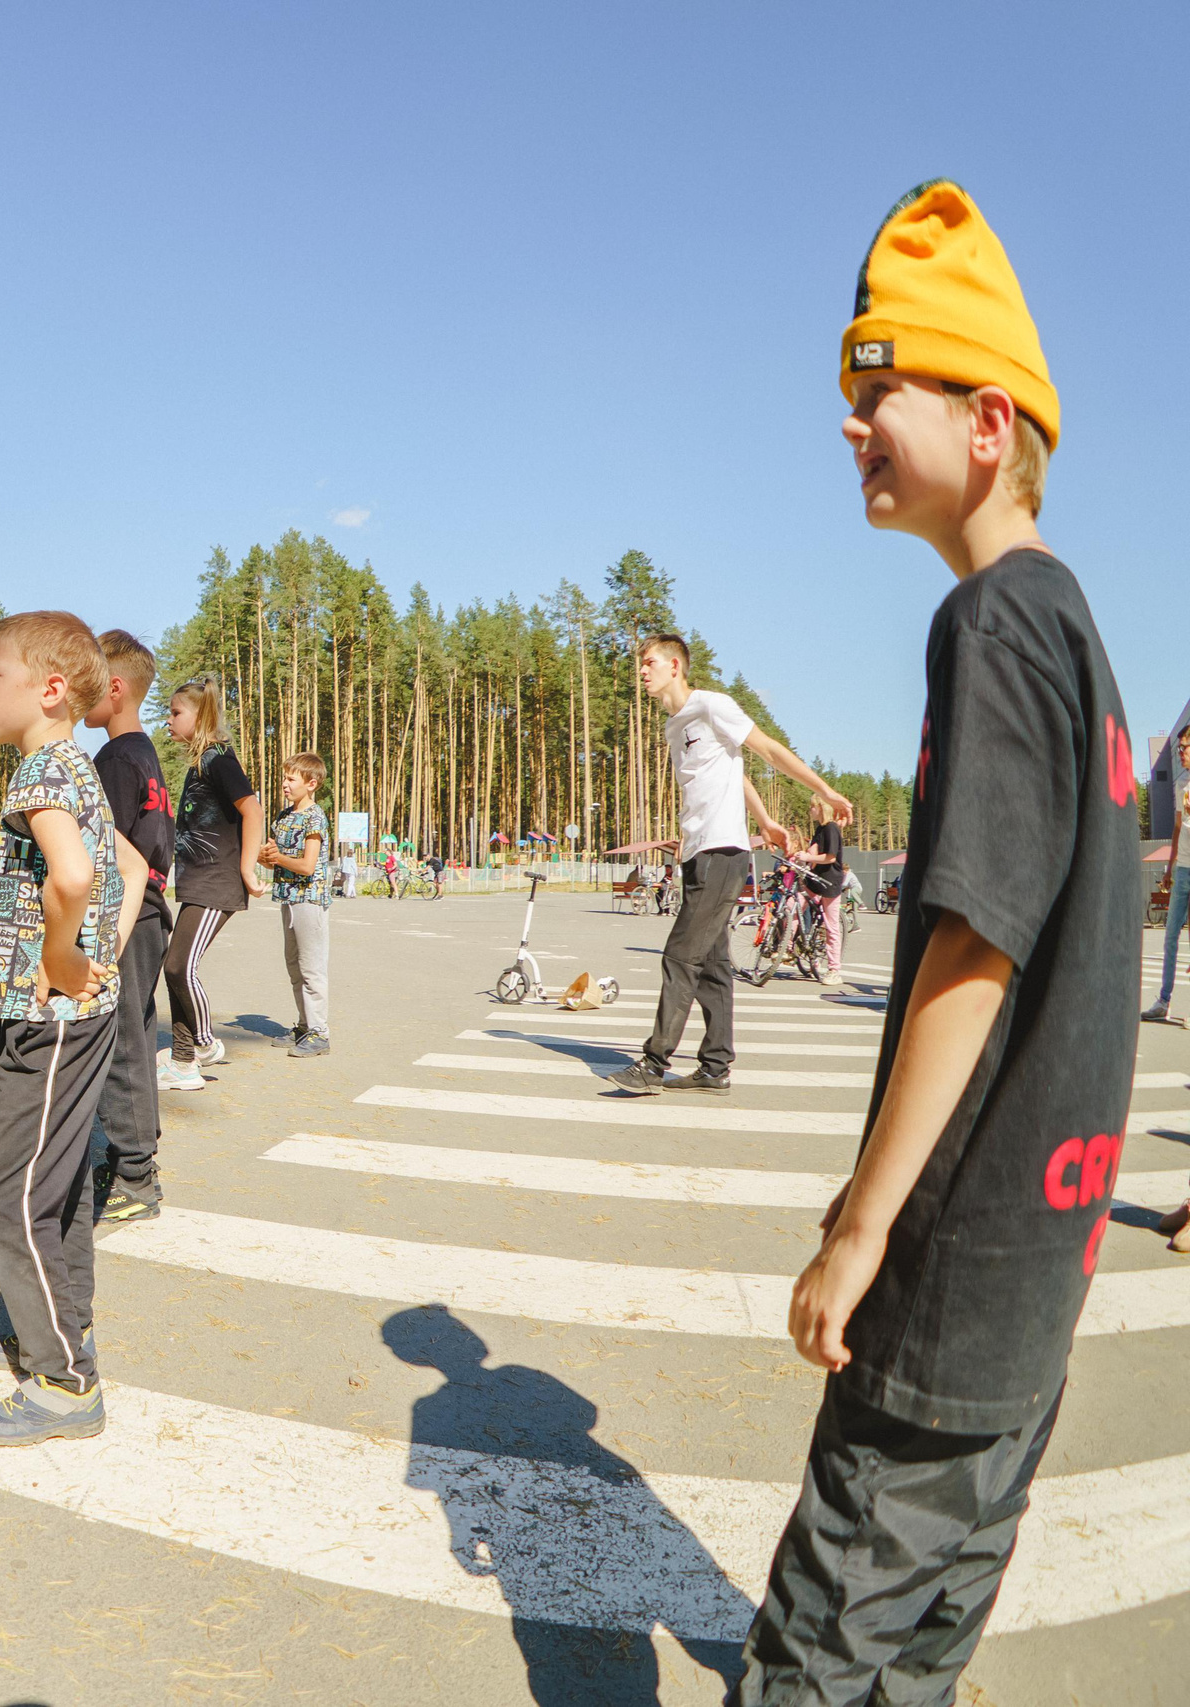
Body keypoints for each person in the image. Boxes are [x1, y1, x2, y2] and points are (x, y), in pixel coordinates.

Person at [739, 178, 1139, 1706]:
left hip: (957, 1268)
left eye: (877, 388)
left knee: (824, 1642)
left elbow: (974, 953)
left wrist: (860, 1225)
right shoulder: (1080, 632)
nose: (852, 423)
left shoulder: (988, 622)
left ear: (984, 421)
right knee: (924, 1649)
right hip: (1042, 1275)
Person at [0, 611, 143, 1448]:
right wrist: (96, 950)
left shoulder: (41, 771)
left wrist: (67, 955)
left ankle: (65, 1382)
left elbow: (73, 872)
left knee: (10, 1201)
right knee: (59, 1189)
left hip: (51, 1018)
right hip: (79, 1014)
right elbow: (133, 867)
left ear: (51, 688)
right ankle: (62, 1333)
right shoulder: (78, 768)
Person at [602, 635, 849, 1096]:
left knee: (680, 955)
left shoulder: (711, 705)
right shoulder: (675, 725)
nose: (642, 671)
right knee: (713, 966)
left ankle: (653, 1064)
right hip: (699, 853)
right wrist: (767, 820)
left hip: (723, 853)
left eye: (649, 662)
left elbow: (767, 750)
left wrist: (826, 790)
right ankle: (715, 1067)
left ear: (675, 666)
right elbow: (732, 775)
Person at [84, 629, 173, 1223]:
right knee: (136, 1035)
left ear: (113, 689)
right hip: (150, 915)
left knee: (121, 1043)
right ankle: (133, 1161)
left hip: (127, 915)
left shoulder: (115, 758)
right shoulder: (145, 752)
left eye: (88, 682)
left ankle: (136, 1174)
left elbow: (109, 855)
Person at [156, 675, 262, 1092]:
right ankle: (183, 1063)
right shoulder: (201, 763)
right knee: (173, 967)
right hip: (200, 881)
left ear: (200, 717)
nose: (168, 720)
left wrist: (249, 869)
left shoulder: (218, 758)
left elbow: (252, 810)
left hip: (218, 882)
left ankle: (202, 1041)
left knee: (181, 965)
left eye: (175, 712)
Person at [261, 753, 332, 1057]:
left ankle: (320, 1033)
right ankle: (304, 1026)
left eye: (291, 779)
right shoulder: (283, 816)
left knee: (312, 969)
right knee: (295, 968)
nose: (284, 785)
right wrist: (264, 857)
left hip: (309, 900)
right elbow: (270, 857)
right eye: (284, 778)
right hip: (288, 899)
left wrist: (277, 859)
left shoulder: (314, 817)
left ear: (311, 783)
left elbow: (307, 865)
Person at [1144, 725, 1190, 1024]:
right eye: (1178, 749)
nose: (1181, 753)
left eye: (1184, 747)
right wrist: (1170, 869)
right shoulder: (1181, 783)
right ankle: (1163, 1001)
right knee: (1170, 935)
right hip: (1184, 869)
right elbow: (1176, 828)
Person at [793, 795, 848, 981]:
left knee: (831, 926)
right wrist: (801, 857)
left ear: (820, 807)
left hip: (830, 881)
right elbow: (814, 852)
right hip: (814, 879)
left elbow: (831, 857)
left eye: (812, 807)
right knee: (794, 906)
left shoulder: (831, 828)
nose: (810, 810)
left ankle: (834, 970)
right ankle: (786, 948)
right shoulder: (819, 829)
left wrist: (808, 858)